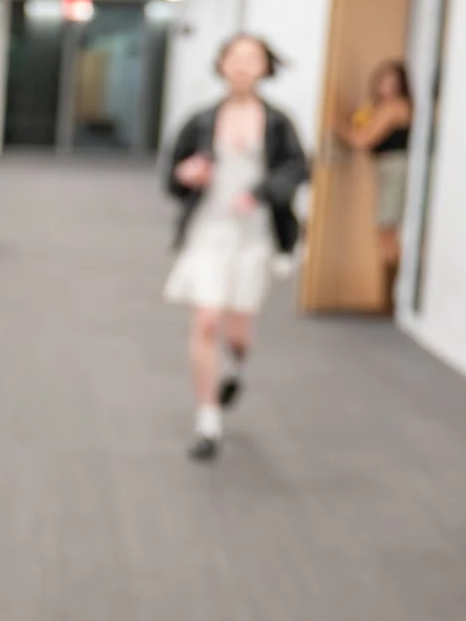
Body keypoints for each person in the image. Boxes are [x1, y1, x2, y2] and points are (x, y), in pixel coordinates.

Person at [162, 31, 309, 462]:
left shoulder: (278, 122)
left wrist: (260, 194)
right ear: (222, 64)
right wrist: (186, 174)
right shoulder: (202, 119)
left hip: (255, 237)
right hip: (208, 231)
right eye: (235, 57)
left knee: (238, 331)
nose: (243, 65)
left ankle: (237, 365)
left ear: (265, 67)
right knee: (206, 319)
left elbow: (297, 168)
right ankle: (208, 420)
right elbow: (171, 175)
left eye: (253, 58)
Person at [335, 57, 414, 296]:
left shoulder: (394, 108)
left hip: (395, 170)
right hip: (389, 170)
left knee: (387, 228)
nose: (385, 86)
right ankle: (390, 293)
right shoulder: (384, 108)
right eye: (383, 80)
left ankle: (390, 296)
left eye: (392, 82)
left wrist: (338, 124)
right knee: (387, 229)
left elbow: (361, 140)